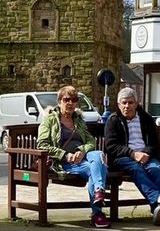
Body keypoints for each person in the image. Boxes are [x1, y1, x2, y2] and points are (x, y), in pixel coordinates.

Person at [37, 86, 111, 228]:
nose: (70, 103)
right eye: (66, 100)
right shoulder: (50, 120)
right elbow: (42, 145)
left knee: (98, 155)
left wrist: (81, 150)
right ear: (59, 102)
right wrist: (65, 155)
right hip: (63, 162)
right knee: (95, 169)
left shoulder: (78, 120)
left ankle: (99, 191)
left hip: (83, 157)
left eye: (74, 100)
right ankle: (97, 214)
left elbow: (91, 141)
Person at [104, 88, 160, 225]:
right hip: (123, 159)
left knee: (155, 168)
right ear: (119, 104)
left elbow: (154, 143)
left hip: (145, 156)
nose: (127, 106)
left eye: (130, 102)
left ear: (136, 103)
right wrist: (133, 154)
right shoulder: (113, 120)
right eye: (124, 103)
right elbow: (111, 146)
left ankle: (156, 209)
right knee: (136, 168)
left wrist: (146, 153)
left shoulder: (146, 118)